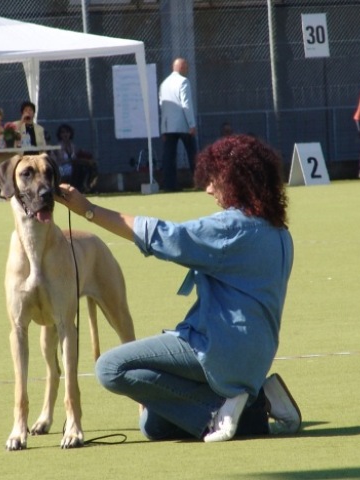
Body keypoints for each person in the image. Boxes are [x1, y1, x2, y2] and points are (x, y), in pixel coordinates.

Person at [56, 134, 301, 443]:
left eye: (215, 179)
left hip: (219, 348)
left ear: (237, 180)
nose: (209, 188)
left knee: (109, 367)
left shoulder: (231, 228)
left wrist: (88, 209)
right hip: (257, 356)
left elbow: (162, 235)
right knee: (153, 425)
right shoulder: (279, 232)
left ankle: (219, 408)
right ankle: (257, 402)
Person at [158, 57, 197, 192]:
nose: (187, 69)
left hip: (168, 126)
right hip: (183, 124)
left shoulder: (164, 84)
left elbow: (162, 106)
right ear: (180, 67)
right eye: (186, 66)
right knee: (193, 154)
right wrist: (191, 124)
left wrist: (163, 129)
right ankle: (200, 181)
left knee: (169, 156)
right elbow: (186, 104)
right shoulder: (183, 81)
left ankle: (170, 185)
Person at [53, 123, 98, 193]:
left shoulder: (72, 146)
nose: (65, 134)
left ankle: (88, 186)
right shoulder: (59, 146)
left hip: (73, 166)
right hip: (62, 168)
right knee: (77, 166)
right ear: (60, 134)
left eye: (67, 132)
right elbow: (61, 161)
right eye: (63, 132)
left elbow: (76, 156)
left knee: (89, 166)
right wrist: (73, 161)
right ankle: (77, 188)